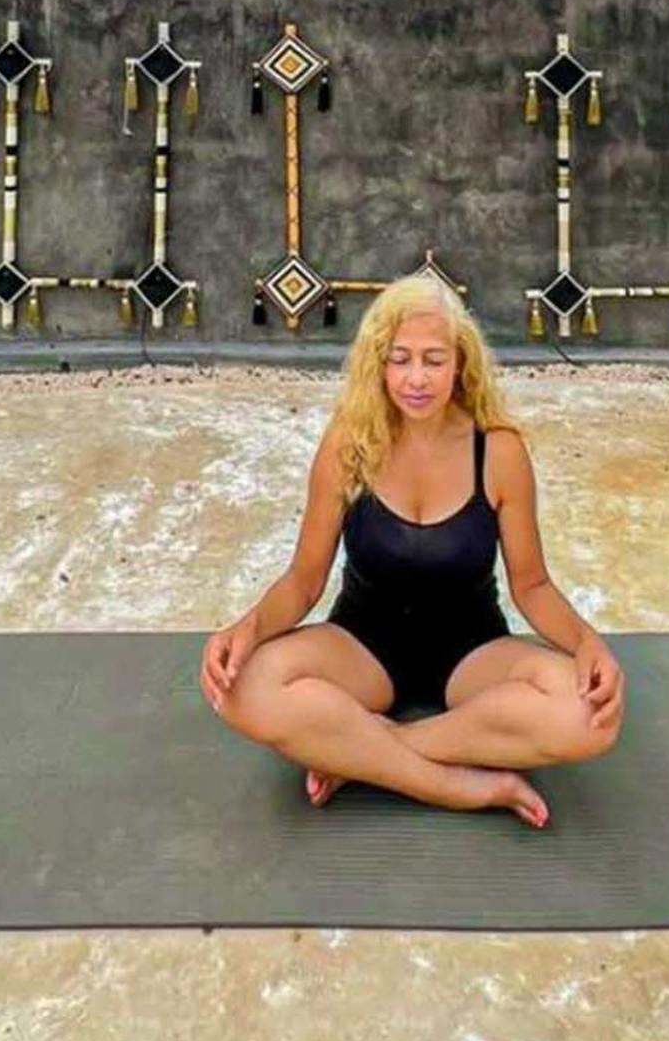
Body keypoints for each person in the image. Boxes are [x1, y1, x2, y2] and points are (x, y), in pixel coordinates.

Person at [199, 274, 626, 828]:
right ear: (379, 365)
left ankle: (365, 753)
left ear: (460, 364)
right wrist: (246, 629)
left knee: (591, 718)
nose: (417, 379)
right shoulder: (349, 444)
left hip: (471, 650)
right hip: (361, 646)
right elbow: (303, 582)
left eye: (433, 360)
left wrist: (588, 642)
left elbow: (532, 586)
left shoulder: (497, 450)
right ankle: (450, 785)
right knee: (241, 689)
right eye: (400, 360)